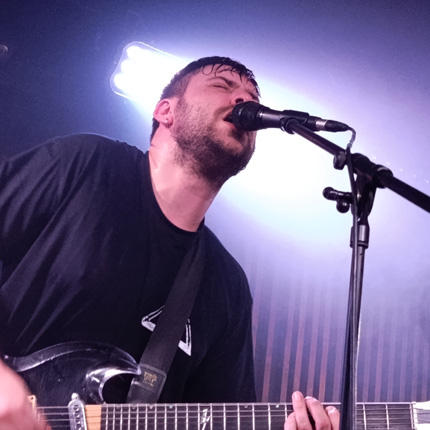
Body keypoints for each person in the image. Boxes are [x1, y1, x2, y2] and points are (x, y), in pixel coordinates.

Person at [0, 56, 339, 429]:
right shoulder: (86, 165)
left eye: (252, 96)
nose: (244, 100)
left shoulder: (226, 286)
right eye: (223, 86)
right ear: (166, 111)